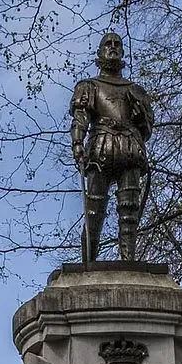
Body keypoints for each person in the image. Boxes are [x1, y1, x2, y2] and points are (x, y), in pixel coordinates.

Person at [70, 32, 154, 261]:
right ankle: (88, 261)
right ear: (100, 51)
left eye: (117, 44)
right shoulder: (90, 86)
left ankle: (128, 260)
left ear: (123, 52)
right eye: (108, 44)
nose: (113, 47)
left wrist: (141, 119)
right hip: (101, 148)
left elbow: (146, 130)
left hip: (130, 148)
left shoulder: (135, 90)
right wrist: (77, 142)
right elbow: (80, 117)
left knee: (129, 209)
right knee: (94, 209)